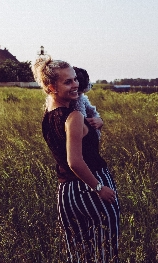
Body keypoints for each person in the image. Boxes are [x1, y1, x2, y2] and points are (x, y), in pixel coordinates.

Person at [32, 55, 120, 263]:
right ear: (51, 87)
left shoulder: (48, 116)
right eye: (68, 81)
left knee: (78, 255)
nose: (76, 85)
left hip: (66, 194)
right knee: (105, 254)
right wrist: (99, 188)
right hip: (91, 186)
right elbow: (75, 161)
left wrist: (96, 122)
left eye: (75, 79)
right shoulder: (74, 116)